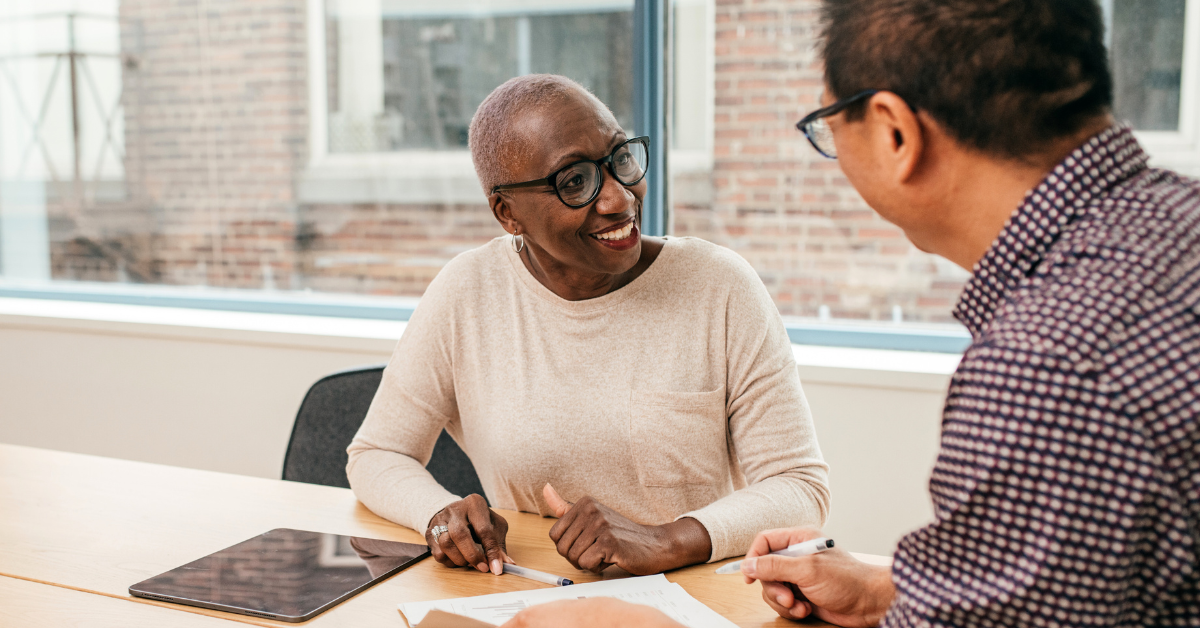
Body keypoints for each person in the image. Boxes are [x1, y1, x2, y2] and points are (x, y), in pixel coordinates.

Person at [499, 0, 1200, 626]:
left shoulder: (1046, 367)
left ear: (895, 133)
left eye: (830, 126)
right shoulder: (1176, 231)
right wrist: (896, 590)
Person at [346, 74, 830, 578]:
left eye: (620, 160)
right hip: (527, 591)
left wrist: (668, 540)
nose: (620, 199)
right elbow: (378, 453)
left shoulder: (720, 287)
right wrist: (439, 515)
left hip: (690, 598)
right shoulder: (467, 292)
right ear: (507, 213)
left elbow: (800, 489)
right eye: (574, 181)